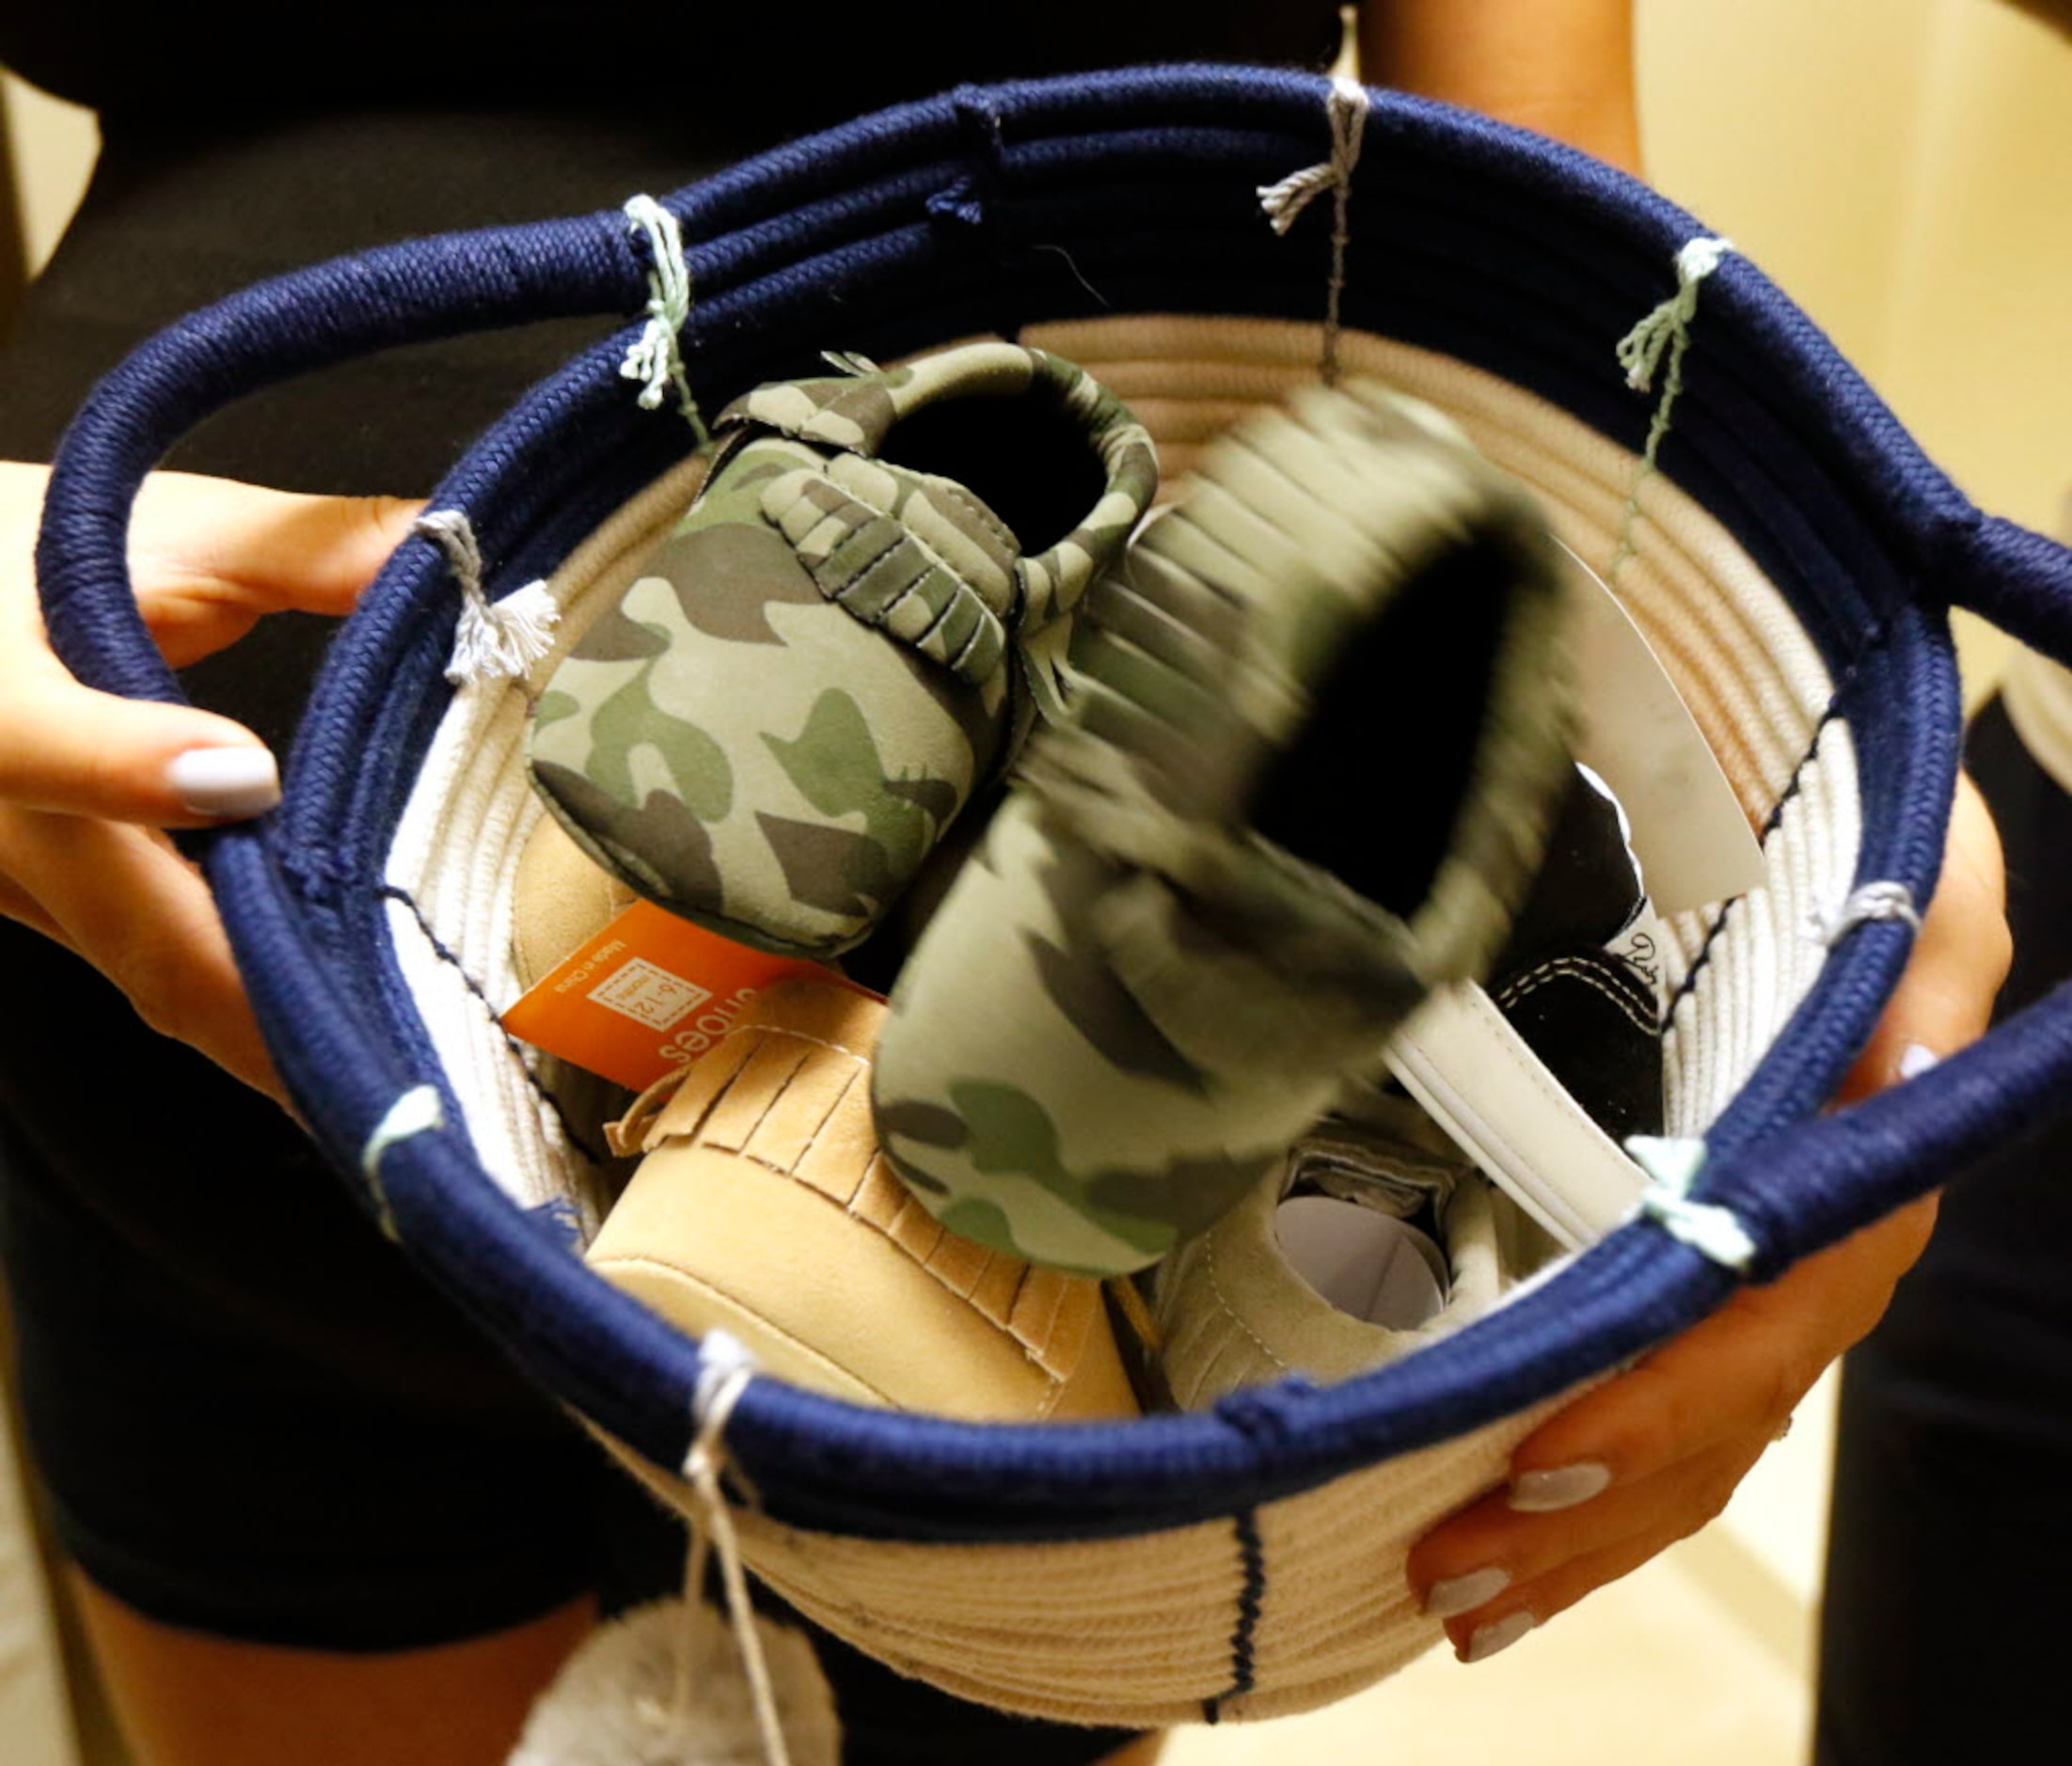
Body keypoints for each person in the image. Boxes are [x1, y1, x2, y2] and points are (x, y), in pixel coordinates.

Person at [0, 4, 2008, 1761]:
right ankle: (1156, 938)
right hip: (168, 1019)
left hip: (871, 1333)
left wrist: (1839, 709)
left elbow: (1560, 228)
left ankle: (1112, 890)